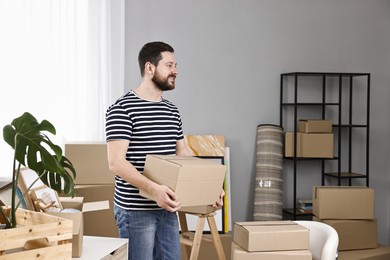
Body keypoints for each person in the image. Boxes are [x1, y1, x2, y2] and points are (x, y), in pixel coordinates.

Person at [105, 41, 224, 260]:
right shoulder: (122, 109)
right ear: (150, 68)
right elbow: (116, 163)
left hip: (168, 208)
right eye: (169, 65)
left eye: (176, 65)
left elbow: (183, 155)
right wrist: (154, 190)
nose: (176, 71)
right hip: (136, 210)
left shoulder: (171, 110)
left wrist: (209, 189)